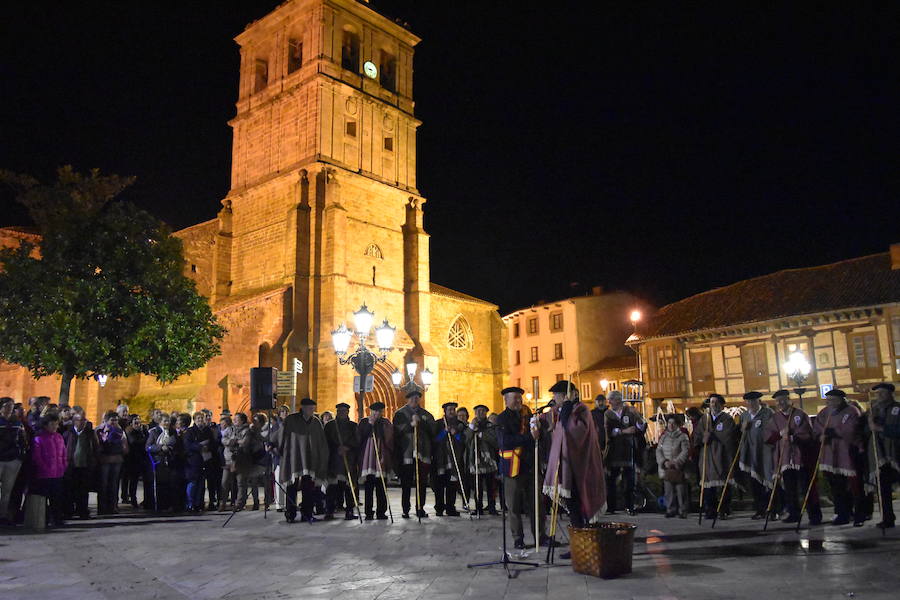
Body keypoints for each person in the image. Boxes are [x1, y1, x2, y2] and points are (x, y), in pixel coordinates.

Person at [542, 380, 606, 529]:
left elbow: (577, 432)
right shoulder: (563, 410)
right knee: (573, 508)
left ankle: (584, 544)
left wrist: (566, 414)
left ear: (565, 396)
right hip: (566, 465)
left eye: (556, 395)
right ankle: (577, 544)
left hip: (580, 466)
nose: (554, 399)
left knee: (580, 505)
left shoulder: (581, 409)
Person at [496, 386, 546, 549]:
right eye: (515, 398)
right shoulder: (502, 419)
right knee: (514, 506)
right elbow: (505, 442)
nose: (518, 401)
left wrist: (540, 429)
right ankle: (518, 538)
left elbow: (537, 437)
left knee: (536, 504)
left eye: (519, 398)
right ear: (506, 400)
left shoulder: (527, 415)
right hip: (512, 467)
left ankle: (540, 535)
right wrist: (528, 437)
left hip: (530, 465)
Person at [763, 389, 819, 524]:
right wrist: (780, 435)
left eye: (783, 400)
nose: (780, 403)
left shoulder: (800, 414)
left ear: (789, 400)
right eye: (778, 401)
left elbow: (808, 433)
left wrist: (794, 435)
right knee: (790, 488)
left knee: (807, 487)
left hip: (801, 457)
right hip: (785, 457)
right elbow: (768, 436)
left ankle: (815, 515)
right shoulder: (775, 418)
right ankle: (794, 513)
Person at [814, 388, 864, 526]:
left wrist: (831, 432)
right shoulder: (825, 412)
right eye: (828, 400)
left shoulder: (851, 411)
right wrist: (820, 435)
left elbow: (851, 429)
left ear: (841, 399)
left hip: (848, 453)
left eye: (833, 400)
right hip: (830, 454)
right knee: (837, 486)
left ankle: (859, 514)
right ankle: (842, 513)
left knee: (854, 487)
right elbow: (817, 427)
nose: (831, 403)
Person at [277, 398, 329, 523]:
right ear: (304, 408)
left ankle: (307, 514)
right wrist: (278, 448)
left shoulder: (316, 422)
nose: (312, 411)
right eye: (310, 408)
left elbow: (321, 441)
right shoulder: (291, 419)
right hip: (294, 457)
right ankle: (290, 514)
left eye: (313, 408)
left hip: (311, 460)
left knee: (309, 489)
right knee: (292, 486)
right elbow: (281, 435)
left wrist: (323, 456)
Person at [693, 393, 737, 519]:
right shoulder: (704, 419)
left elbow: (728, 436)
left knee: (723, 483)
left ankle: (723, 509)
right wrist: (702, 439)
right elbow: (697, 435)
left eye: (717, 402)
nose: (714, 405)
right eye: (712, 402)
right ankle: (710, 509)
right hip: (707, 456)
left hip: (722, 456)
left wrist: (713, 436)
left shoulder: (727, 419)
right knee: (708, 485)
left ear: (722, 405)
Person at [392, 389, 434, 519]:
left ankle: (420, 508)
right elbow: (397, 431)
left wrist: (421, 422)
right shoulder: (400, 414)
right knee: (406, 482)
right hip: (406, 452)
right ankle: (405, 508)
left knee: (421, 482)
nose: (414, 400)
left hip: (422, 452)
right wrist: (411, 425)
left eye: (416, 398)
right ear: (407, 399)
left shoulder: (426, 414)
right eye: (411, 398)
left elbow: (432, 430)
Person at [603, 389, 644, 515]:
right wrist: (624, 431)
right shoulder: (608, 414)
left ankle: (630, 506)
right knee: (611, 481)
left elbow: (640, 427)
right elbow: (609, 431)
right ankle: (611, 507)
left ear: (618, 400)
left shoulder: (629, 411)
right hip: (614, 451)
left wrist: (637, 416)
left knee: (629, 481)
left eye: (611, 399)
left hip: (628, 449)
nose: (609, 402)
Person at [865, 382, 899, 529]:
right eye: (877, 393)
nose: (879, 396)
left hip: (896, 453)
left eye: (882, 393)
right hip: (880, 455)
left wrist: (882, 428)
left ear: (890, 394)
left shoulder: (897, 408)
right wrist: (870, 425)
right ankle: (887, 517)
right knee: (883, 488)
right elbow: (867, 430)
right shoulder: (874, 410)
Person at [738, 391, 774, 519]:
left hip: (765, 453)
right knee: (755, 483)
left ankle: (773, 509)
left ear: (758, 401)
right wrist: (743, 428)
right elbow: (741, 434)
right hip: (751, 454)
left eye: (753, 401)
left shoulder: (767, 413)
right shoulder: (744, 416)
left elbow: (772, 431)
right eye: (748, 402)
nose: (751, 404)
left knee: (769, 481)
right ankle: (760, 509)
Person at [29, 412, 68, 527]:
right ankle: (44, 519)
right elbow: (37, 457)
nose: (55, 427)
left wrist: (63, 465)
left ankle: (57, 519)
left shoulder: (59, 437)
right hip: (44, 474)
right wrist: (45, 468)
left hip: (58, 473)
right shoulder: (39, 438)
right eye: (52, 424)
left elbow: (64, 453)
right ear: (45, 425)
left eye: (56, 424)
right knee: (44, 498)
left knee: (57, 497)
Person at [357, 402, 394, 520]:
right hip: (368, 457)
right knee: (369, 487)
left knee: (381, 486)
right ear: (370, 411)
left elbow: (389, 438)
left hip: (381, 456)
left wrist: (379, 428)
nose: (377, 413)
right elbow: (360, 437)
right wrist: (370, 425)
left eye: (379, 411)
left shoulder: (385, 422)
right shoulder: (364, 422)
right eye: (375, 411)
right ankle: (368, 512)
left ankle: (381, 512)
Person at [324, 402, 359, 520]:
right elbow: (326, 441)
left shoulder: (353, 426)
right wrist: (336, 449)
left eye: (344, 411)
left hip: (348, 460)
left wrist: (347, 447)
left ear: (348, 412)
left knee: (349, 487)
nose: (342, 413)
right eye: (340, 411)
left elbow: (357, 440)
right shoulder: (330, 426)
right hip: (334, 460)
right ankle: (329, 510)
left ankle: (349, 511)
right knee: (332, 487)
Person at [432, 401, 466, 516]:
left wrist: (455, 434)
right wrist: (444, 432)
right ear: (445, 411)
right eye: (449, 409)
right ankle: (439, 508)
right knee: (439, 486)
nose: (452, 411)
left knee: (452, 485)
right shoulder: (438, 424)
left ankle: (450, 507)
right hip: (440, 460)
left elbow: (463, 440)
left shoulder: (459, 424)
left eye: (453, 409)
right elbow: (434, 440)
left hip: (454, 459)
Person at [63, 410, 97, 519]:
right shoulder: (68, 433)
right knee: (69, 490)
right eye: (79, 420)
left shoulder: (90, 433)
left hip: (85, 466)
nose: (82, 422)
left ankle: (83, 511)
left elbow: (96, 448)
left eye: (84, 420)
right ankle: (68, 511)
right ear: (74, 421)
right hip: (71, 467)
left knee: (83, 490)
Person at [466, 404, 498, 515]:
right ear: (475, 413)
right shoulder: (471, 425)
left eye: (483, 411)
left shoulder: (491, 426)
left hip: (488, 459)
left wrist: (480, 434)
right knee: (477, 486)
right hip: (476, 460)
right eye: (478, 411)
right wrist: (471, 429)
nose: (480, 413)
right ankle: (478, 507)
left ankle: (492, 506)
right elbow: (466, 439)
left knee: (490, 486)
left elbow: (494, 440)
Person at [0, 397, 28, 525]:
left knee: (7, 490)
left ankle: (3, 515)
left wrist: (20, 455)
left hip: (12, 460)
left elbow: (23, 439)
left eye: (11, 405)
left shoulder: (16, 421)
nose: (9, 408)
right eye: (7, 405)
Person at [656, 414, 689, 517]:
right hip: (667, 468)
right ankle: (670, 509)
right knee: (668, 490)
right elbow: (658, 450)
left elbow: (685, 451)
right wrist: (664, 462)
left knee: (681, 491)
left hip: (678, 469)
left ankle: (682, 510)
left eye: (673, 423)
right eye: (669, 423)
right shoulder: (664, 437)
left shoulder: (683, 437)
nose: (671, 425)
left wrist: (676, 462)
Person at [96, 410, 128, 515]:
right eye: (112, 420)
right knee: (103, 484)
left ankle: (113, 506)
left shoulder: (120, 431)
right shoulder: (99, 430)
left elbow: (125, 446)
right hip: (104, 460)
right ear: (106, 420)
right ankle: (102, 508)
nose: (114, 422)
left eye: (116, 420)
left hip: (117, 459)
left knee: (114, 484)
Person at [181, 412, 212, 513]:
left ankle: (198, 504)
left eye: (201, 418)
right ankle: (190, 504)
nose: (200, 420)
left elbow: (212, 442)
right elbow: (187, 445)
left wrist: (208, 447)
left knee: (201, 484)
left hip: (204, 461)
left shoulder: (207, 430)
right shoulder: (190, 431)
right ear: (194, 420)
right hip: (193, 461)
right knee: (192, 483)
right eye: (198, 418)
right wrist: (200, 446)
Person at [122, 414, 148, 508]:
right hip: (132, 459)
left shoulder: (143, 430)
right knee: (133, 480)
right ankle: (132, 498)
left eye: (139, 420)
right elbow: (134, 442)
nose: (138, 422)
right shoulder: (129, 430)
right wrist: (144, 439)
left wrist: (143, 432)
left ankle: (144, 500)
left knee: (139, 480)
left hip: (142, 458)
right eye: (135, 420)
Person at [217, 415, 235, 511]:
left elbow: (233, 441)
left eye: (224, 423)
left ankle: (235, 502)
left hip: (234, 459)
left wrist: (230, 442)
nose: (222, 425)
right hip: (225, 459)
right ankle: (223, 502)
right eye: (221, 423)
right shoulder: (220, 432)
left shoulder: (232, 430)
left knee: (234, 482)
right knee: (224, 482)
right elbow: (224, 441)